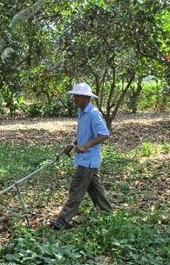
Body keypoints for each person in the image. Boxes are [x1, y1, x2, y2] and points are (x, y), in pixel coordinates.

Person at [51, 82, 113, 230]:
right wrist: (73, 144)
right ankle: (108, 214)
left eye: (77, 96)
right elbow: (84, 135)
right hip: (87, 160)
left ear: (85, 97)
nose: (74, 99)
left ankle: (62, 221)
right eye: (74, 96)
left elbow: (104, 134)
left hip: (88, 160)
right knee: (95, 190)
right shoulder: (82, 113)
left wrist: (85, 146)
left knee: (76, 190)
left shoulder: (93, 114)